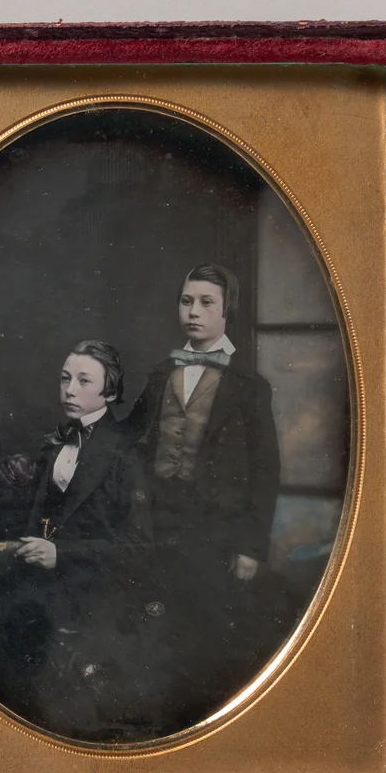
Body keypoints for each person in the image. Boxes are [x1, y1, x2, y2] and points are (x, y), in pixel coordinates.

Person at [0, 340, 154, 741]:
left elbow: (138, 549)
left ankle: (32, 706)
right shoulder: (55, 445)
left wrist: (61, 554)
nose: (69, 390)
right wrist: (17, 544)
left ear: (109, 391)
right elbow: (43, 519)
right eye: (65, 379)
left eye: (83, 381)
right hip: (50, 569)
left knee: (19, 607)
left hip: (92, 579)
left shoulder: (125, 455)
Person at [126, 263, 284, 726]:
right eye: (186, 301)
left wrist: (252, 546)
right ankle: (159, 722)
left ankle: (205, 725)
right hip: (159, 522)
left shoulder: (248, 387)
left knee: (207, 627)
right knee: (157, 621)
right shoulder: (160, 375)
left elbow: (265, 471)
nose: (193, 312)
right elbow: (129, 438)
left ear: (226, 311)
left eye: (206, 303)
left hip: (215, 529)